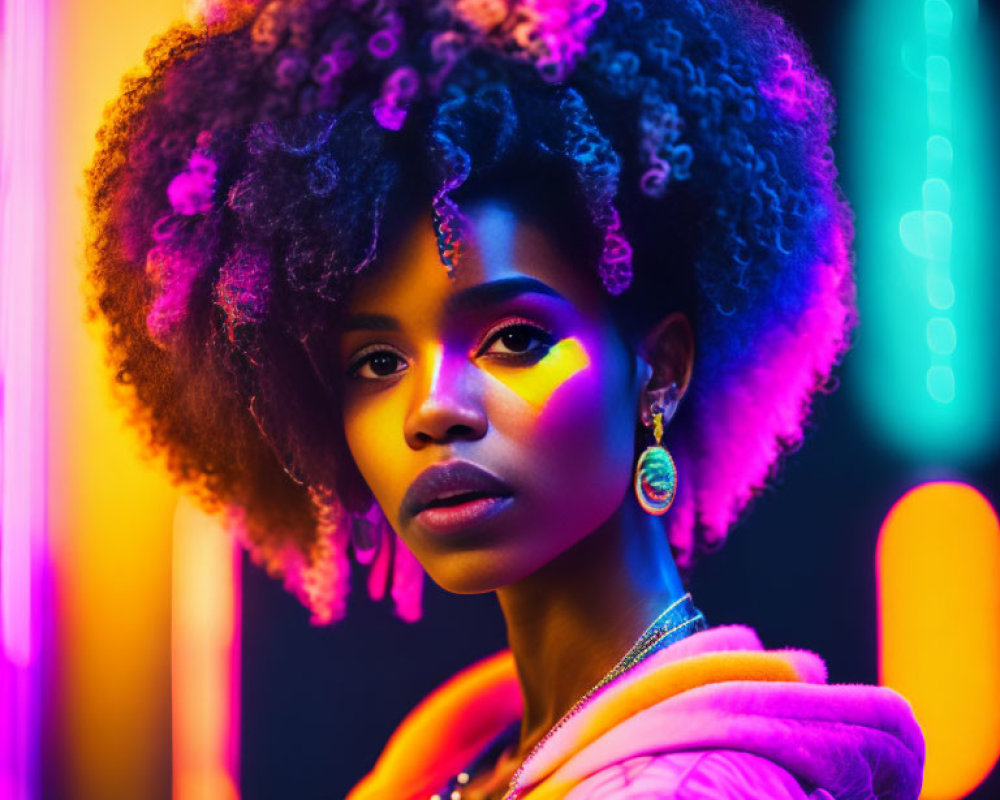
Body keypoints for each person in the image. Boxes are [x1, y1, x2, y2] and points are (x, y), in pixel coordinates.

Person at [85, 0, 925, 798]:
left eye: (514, 339)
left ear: (658, 367)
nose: (432, 408)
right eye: (376, 361)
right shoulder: (467, 763)